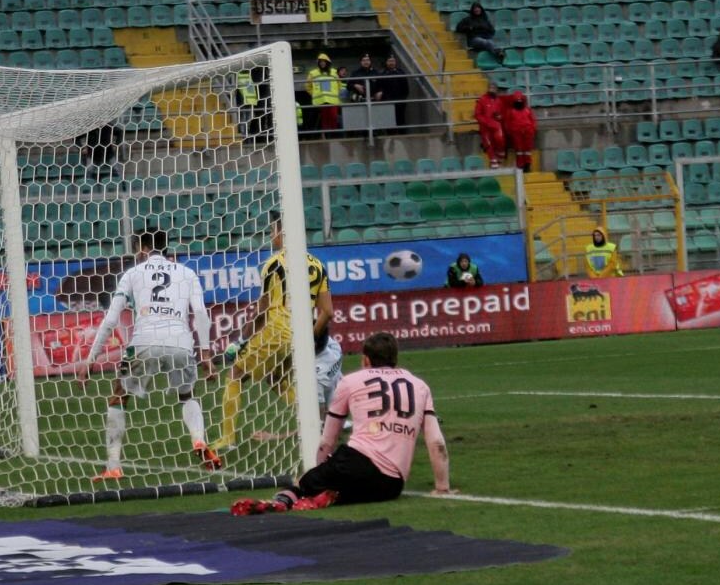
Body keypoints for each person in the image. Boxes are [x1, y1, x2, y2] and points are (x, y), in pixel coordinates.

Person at [230, 331, 454, 514]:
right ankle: (331, 496)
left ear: (366, 359)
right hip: (392, 484)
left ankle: (282, 500)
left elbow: (328, 439)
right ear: (395, 358)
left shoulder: (351, 381)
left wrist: (317, 471)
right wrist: (442, 487)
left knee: (305, 482)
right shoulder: (419, 386)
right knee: (353, 488)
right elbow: (437, 443)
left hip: (356, 462)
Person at [75, 227, 221, 480]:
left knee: (118, 396)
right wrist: (206, 354)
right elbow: (200, 313)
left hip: (144, 342)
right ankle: (198, 440)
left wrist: (90, 360)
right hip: (180, 342)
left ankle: (113, 466)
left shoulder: (133, 273)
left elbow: (110, 320)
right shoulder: (187, 272)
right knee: (186, 394)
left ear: (141, 249)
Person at [216, 211, 333, 451]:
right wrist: (308, 338)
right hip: (298, 335)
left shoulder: (275, 263)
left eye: (273, 231)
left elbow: (263, 309)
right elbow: (328, 312)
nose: (271, 236)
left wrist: (242, 339)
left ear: (284, 233)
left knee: (236, 373)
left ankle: (227, 439)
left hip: (276, 330)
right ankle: (316, 425)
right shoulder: (318, 265)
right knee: (276, 379)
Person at [306, 53, 342, 133]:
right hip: (321, 101)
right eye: (320, 61)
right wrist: (314, 94)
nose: (322, 63)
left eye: (324, 61)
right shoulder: (313, 73)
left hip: (332, 100)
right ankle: (325, 136)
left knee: (334, 117)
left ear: (327, 62)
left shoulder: (334, 72)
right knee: (324, 119)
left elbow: (339, 84)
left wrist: (335, 93)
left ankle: (334, 135)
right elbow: (308, 86)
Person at [375, 54, 411, 130]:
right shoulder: (382, 73)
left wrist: (403, 98)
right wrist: (381, 93)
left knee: (400, 120)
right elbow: (378, 87)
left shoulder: (400, 72)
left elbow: (406, 88)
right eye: (389, 61)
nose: (391, 63)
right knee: (389, 122)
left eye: (393, 61)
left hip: (400, 100)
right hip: (387, 101)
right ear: (386, 62)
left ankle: (402, 137)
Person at [475, 83, 506, 168]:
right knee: (488, 144)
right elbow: (477, 114)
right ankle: (493, 161)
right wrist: (486, 122)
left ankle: (500, 155)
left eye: (493, 88)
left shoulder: (498, 101)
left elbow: (502, 113)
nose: (491, 89)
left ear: (496, 90)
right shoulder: (482, 100)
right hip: (485, 127)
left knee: (500, 139)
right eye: (490, 88)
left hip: (496, 125)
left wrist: (499, 117)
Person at [504, 90, 537, 172]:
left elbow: (532, 120)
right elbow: (507, 123)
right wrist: (510, 132)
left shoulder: (527, 110)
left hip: (527, 132)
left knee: (527, 150)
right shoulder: (511, 111)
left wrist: (532, 130)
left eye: (520, 100)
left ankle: (527, 165)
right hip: (516, 133)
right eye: (517, 100)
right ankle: (520, 166)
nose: (519, 102)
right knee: (519, 150)